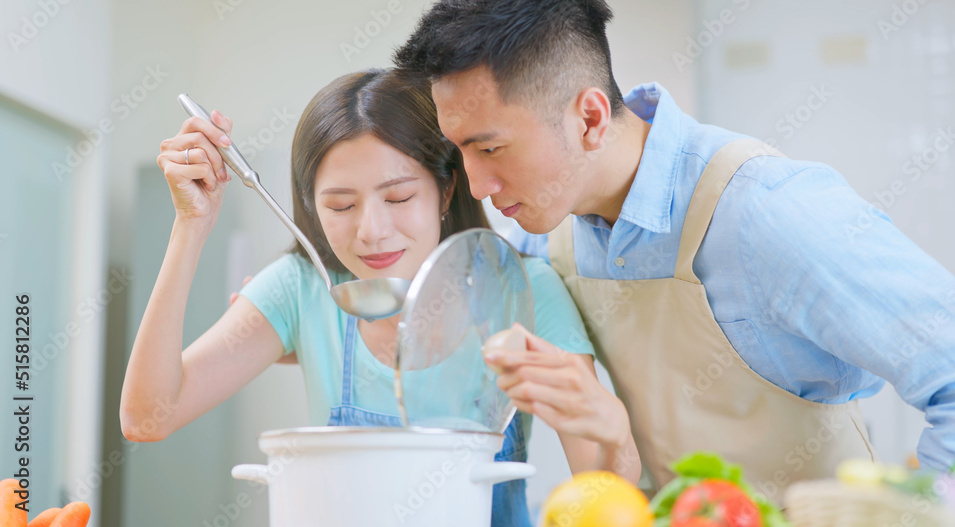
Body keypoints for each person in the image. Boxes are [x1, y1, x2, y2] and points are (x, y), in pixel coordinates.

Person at [393, 0, 955, 500]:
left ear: (589, 119)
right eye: (460, 153)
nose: (476, 185)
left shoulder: (770, 211)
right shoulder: (544, 229)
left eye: (491, 150)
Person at [119, 68, 639, 526]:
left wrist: (616, 436)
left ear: (446, 190)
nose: (371, 231)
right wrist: (191, 225)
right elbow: (147, 418)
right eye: (341, 206)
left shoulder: (521, 290)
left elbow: (603, 495)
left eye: (399, 197)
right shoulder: (301, 287)